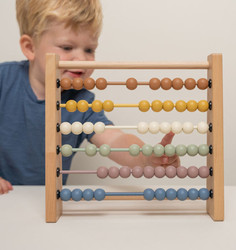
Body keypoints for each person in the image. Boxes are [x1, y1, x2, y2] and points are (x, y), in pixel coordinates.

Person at [0, 0, 179, 195]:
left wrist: (146, 158)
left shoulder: (81, 102)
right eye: (67, 48)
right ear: (30, 47)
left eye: (89, 50)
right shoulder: (3, 81)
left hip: (49, 201)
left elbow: (115, 139)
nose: (82, 60)